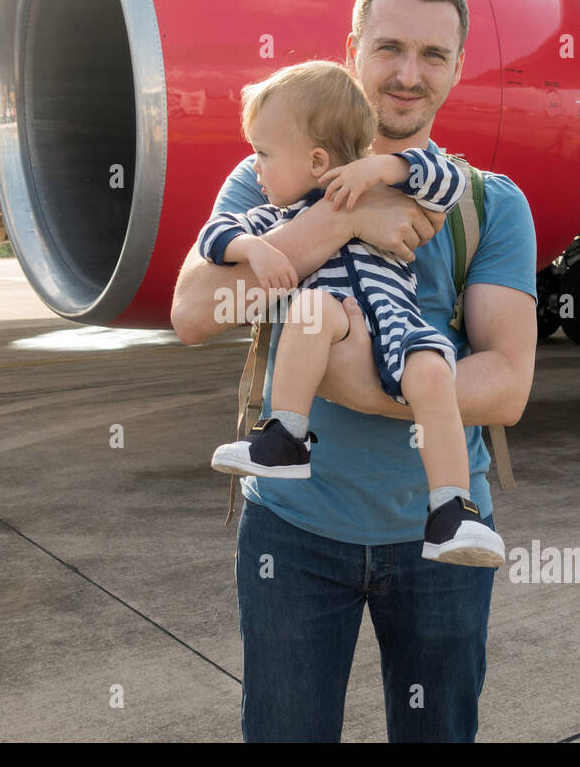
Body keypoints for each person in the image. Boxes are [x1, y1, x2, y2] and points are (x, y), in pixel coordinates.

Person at [171, 0, 537, 742]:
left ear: (457, 67)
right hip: (293, 538)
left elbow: (506, 387)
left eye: (433, 55)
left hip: (435, 547)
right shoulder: (267, 173)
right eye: (390, 48)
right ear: (352, 49)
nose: (409, 75)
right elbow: (195, 311)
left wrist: (366, 389)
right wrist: (341, 221)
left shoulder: (487, 204)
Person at [199, 60, 504, 567]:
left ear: (317, 160)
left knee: (434, 369)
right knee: (312, 308)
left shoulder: (386, 190)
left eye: (263, 154)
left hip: (396, 323)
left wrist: (384, 167)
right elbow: (216, 237)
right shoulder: (279, 218)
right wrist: (254, 249)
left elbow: (447, 182)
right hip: (337, 322)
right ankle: (286, 437)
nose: (254, 167)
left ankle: (452, 509)